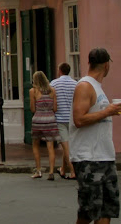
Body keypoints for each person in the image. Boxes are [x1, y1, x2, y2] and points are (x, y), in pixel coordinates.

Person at [70, 48, 120, 224]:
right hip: (88, 158)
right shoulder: (85, 86)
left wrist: (108, 112)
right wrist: (107, 112)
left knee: (107, 208)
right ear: (107, 65)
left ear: (90, 63)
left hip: (105, 156)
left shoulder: (97, 88)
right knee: (88, 210)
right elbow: (79, 119)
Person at [29, 71, 61, 180]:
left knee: (35, 144)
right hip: (50, 119)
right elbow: (55, 108)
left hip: (38, 119)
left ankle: (38, 170)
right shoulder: (52, 90)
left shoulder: (33, 91)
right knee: (50, 146)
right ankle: (51, 171)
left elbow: (32, 108)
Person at [50, 62, 78, 180]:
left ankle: (73, 171)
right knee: (67, 145)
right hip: (71, 118)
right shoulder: (75, 84)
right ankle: (63, 169)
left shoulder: (54, 83)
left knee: (66, 146)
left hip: (60, 118)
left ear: (60, 71)